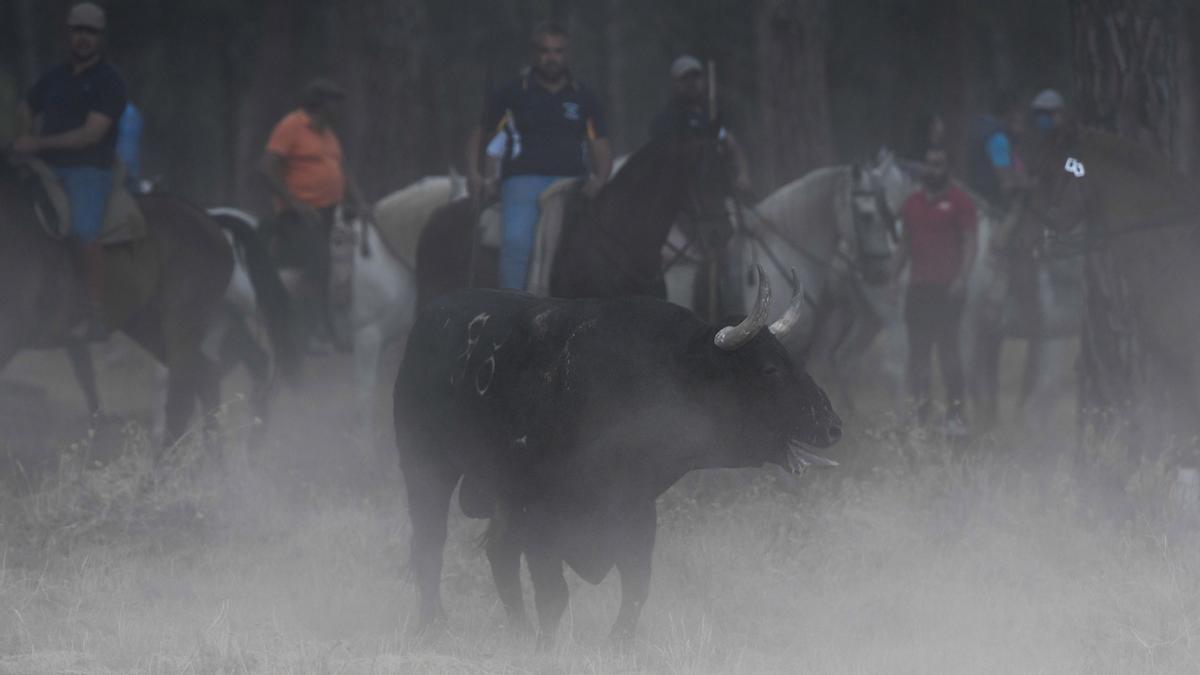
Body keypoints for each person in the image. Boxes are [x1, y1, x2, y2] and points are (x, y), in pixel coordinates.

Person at [465, 21, 613, 290]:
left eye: (558, 51)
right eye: (545, 51)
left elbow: (600, 145)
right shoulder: (511, 94)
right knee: (517, 243)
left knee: (592, 246)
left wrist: (601, 179)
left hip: (572, 183)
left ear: (567, 54)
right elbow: (480, 133)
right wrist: (474, 173)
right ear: (534, 53)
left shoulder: (585, 97)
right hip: (522, 181)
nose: (551, 58)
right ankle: (510, 311)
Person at [13, 2, 127, 339]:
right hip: (46, 167)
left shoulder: (110, 81)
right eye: (78, 30)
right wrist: (22, 134)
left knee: (82, 231)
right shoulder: (54, 77)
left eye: (91, 32)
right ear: (69, 33)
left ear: (101, 37)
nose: (83, 37)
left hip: (88, 171)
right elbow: (25, 106)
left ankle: (95, 310)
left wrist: (38, 143)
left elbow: (92, 134)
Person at [259, 78, 368, 350]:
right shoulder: (292, 126)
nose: (339, 109)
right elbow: (267, 166)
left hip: (331, 211)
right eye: (335, 102)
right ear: (319, 103)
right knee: (319, 259)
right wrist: (295, 203)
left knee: (351, 258)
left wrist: (361, 202)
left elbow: (342, 171)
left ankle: (344, 321)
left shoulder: (328, 134)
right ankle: (313, 327)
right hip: (299, 214)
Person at [894, 145, 977, 432]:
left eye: (939, 164)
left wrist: (962, 277)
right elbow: (905, 244)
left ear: (948, 168)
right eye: (929, 164)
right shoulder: (912, 203)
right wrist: (893, 276)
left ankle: (955, 415)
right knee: (918, 355)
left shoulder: (961, 202)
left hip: (947, 290)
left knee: (948, 353)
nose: (933, 169)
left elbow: (969, 243)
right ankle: (921, 415)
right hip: (918, 290)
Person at [649, 55, 752, 197]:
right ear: (675, 83)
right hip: (683, 198)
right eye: (685, 78)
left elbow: (731, 145)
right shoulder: (666, 121)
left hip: (719, 191)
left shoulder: (712, 118)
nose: (691, 82)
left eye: (696, 77)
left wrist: (743, 175)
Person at [968, 90, 1027, 211]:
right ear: (1010, 112)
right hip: (991, 207)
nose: (1023, 129)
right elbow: (1006, 183)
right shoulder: (998, 138)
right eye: (1018, 118)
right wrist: (1031, 185)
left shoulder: (983, 128)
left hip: (979, 198)